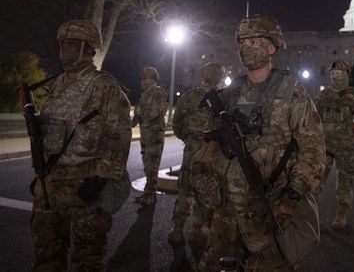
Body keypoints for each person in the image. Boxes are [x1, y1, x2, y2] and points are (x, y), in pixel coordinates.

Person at [195, 14, 325, 271]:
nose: (246, 47)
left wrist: (290, 199)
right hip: (226, 214)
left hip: (270, 210)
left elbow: (313, 151)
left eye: (254, 41)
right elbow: (206, 149)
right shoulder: (228, 95)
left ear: (271, 47)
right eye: (242, 42)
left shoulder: (292, 92)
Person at [31, 19, 132, 271]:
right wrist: (42, 172)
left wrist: (101, 178)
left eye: (72, 43)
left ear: (89, 48)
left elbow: (119, 136)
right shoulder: (57, 84)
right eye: (62, 43)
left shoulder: (104, 85)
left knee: (86, 261)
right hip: (50, 187)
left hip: (84, 189)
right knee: (46, 256)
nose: (65, 48)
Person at [168, 62, 225, 248]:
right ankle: (197, 230)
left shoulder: (190, 95)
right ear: (220, 77)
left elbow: (177, 123)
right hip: (211, 152)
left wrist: (187, 138)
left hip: (191, 149)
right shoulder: (223, 98)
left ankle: (177, 229)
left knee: (184, 189)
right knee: (205, 191)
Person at [314, 59, 354, 230]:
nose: (335, 77)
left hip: (346, 147)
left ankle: (342, 213)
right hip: (324, 146)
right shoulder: (323, 95)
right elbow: (311, 117)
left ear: (346, 75)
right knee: (315, 180)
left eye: (338, 73)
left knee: (345, 181)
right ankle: (308, 215)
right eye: (332, 74)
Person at [132, 66, 168, 205]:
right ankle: (148, 193)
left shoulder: (157, 92)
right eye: (142, 78)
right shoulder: (145, 94)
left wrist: (140, 114)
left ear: (153, 79)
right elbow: (136, 118)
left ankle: (150, 195)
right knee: (148, 165)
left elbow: (155, 112)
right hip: (146, 134)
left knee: (152, 166)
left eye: (146, 78)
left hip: (154, 134)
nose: (143, 81)